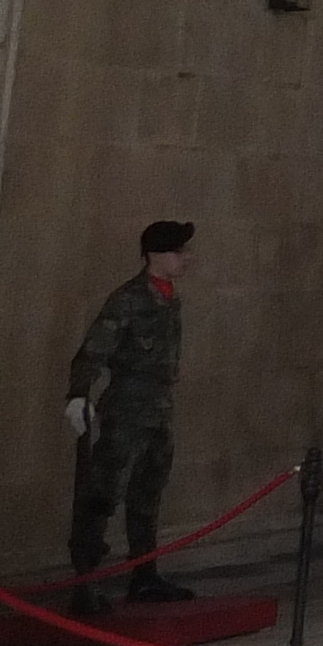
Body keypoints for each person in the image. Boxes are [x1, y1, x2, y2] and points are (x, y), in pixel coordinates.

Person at [63, 220, 195, 612]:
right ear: (156, 255)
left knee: (147, 496)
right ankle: (85, 581)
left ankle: (144, 575)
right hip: (126, 412)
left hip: (158, 412)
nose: (186, 258)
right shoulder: (129, 299)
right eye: (178, 252)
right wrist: (78, 395)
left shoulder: (168, 298)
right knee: (104, 494)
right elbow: (94, 349)